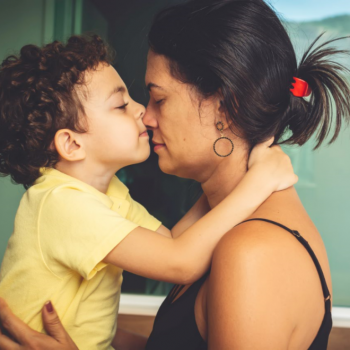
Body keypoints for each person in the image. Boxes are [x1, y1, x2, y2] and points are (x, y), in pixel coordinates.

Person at [1, 0, 350, 349]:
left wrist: (252, 184)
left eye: (159, 99)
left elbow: (176, 255)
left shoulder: (253, 255)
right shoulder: (238, 227)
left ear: (225, 106)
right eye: (126, 104)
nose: (145, 116)